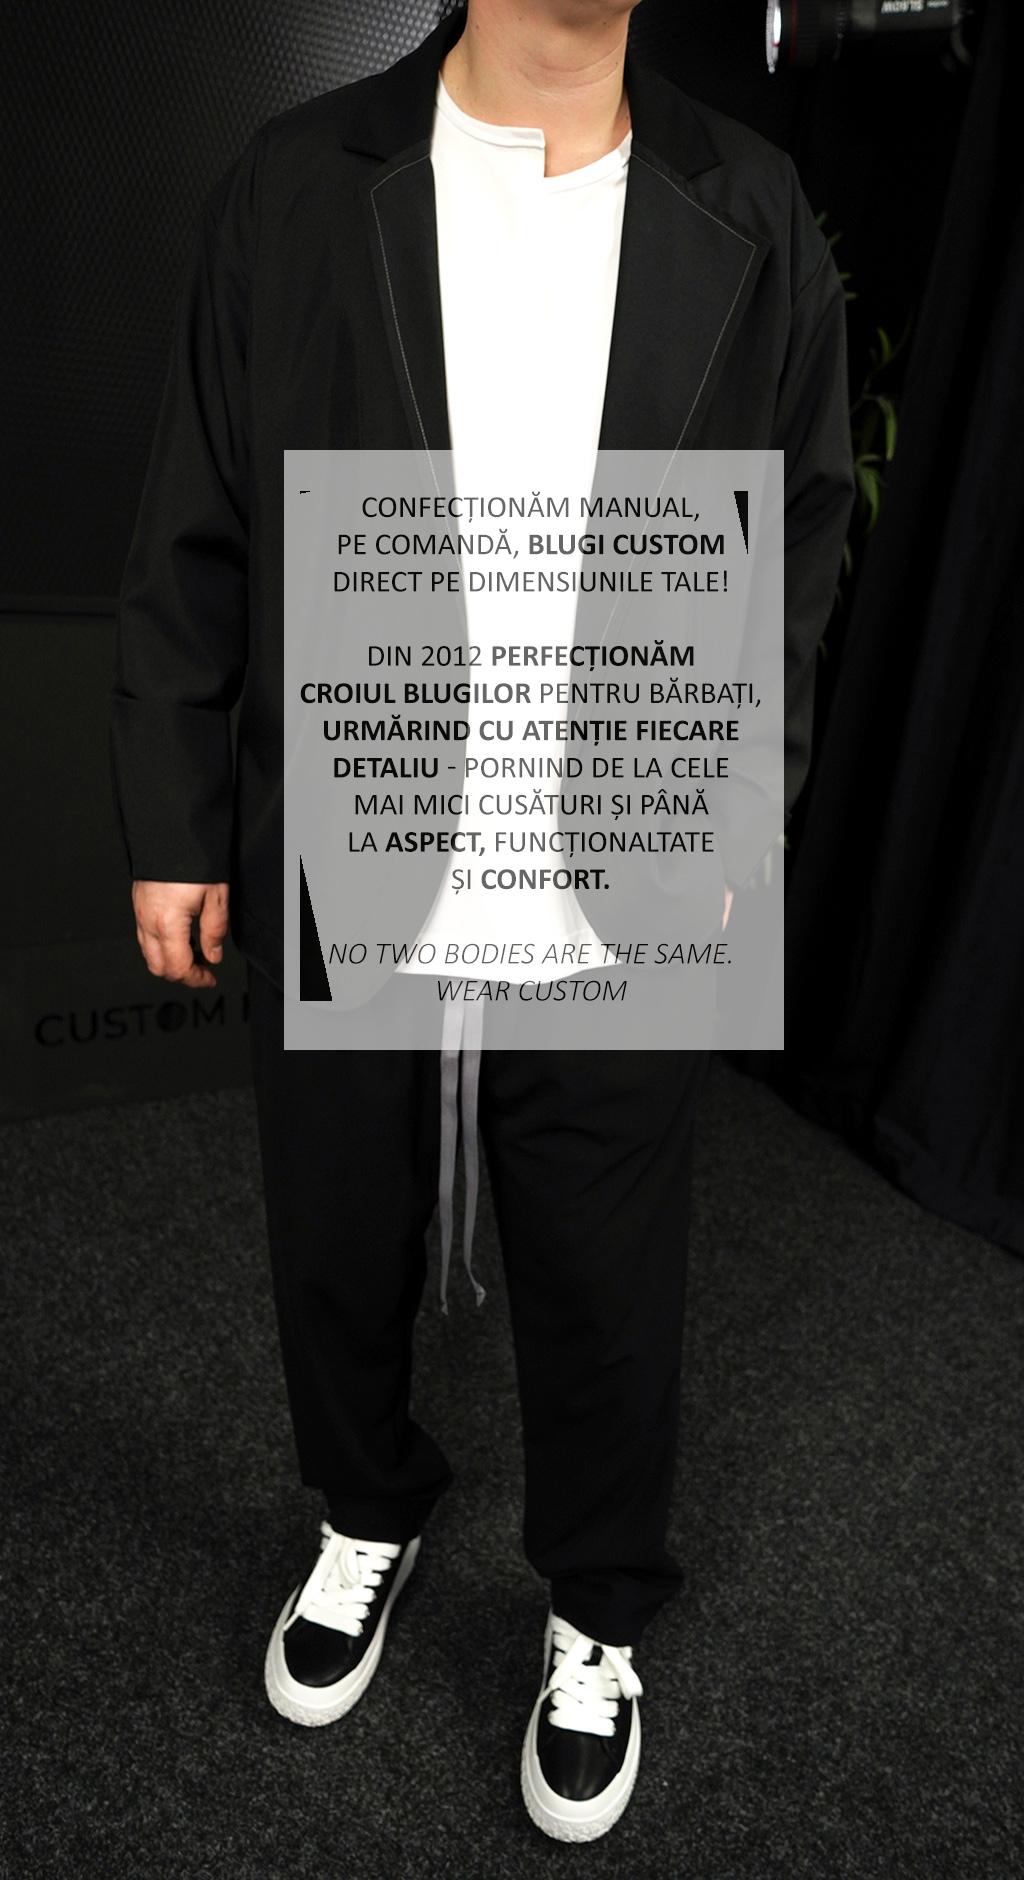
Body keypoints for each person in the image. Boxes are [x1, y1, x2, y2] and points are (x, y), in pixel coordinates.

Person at [110, 0, 854, 1843]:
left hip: (635, 827)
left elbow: (801, 528)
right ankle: (367, 1509)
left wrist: (739, 797)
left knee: (612, 1269)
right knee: (337, 1226)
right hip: (354, 801)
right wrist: (175, 823)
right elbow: (200, 512)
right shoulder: (296, 184)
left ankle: (599, 1613)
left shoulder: (752, 207)